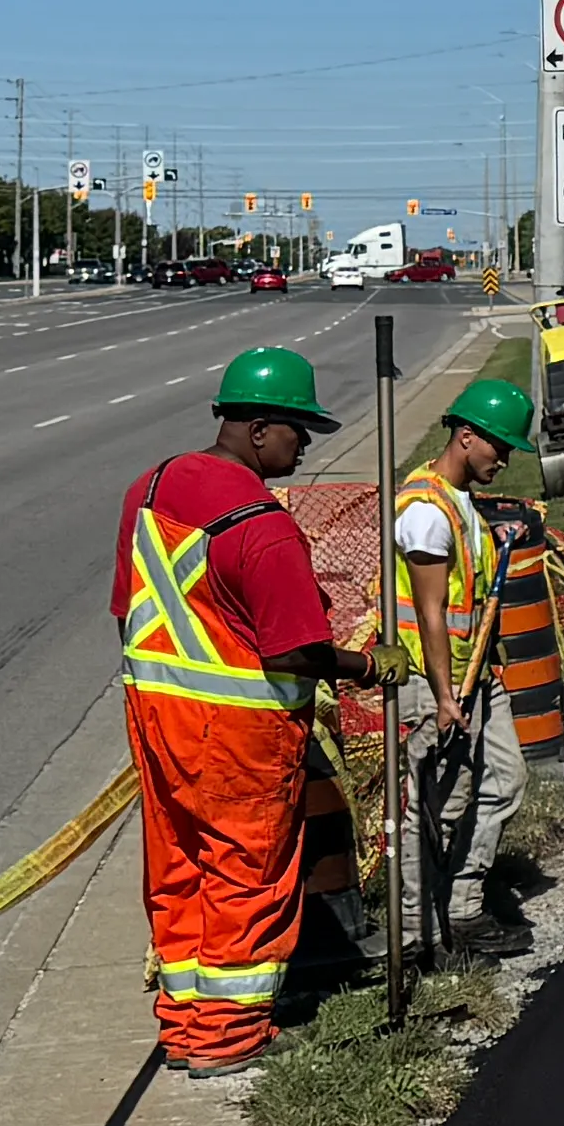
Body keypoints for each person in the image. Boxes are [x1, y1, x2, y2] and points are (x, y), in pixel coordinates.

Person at [112, 346, 371, 1079]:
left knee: (179, 866)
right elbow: (298, 652)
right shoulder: (264, 526)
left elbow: (126, 608)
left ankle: (185, 1026)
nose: (304, 445)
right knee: (245, 872)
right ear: (258, 430)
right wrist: (367, 666)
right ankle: (228, 1034)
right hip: (239, 730)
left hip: (156, 714)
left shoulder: (150, 489)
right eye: (297, 429)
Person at [386, 370, 540, 923]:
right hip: (436, 682)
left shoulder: (460, 502)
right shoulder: (426, 511)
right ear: (467, 436)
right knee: (438, 805)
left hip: (475, 675)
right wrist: (446, 697)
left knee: (505, 779)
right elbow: (431, 613)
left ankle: (462, 903)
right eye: (500, 446)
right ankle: (416, 924)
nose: (505, 459)